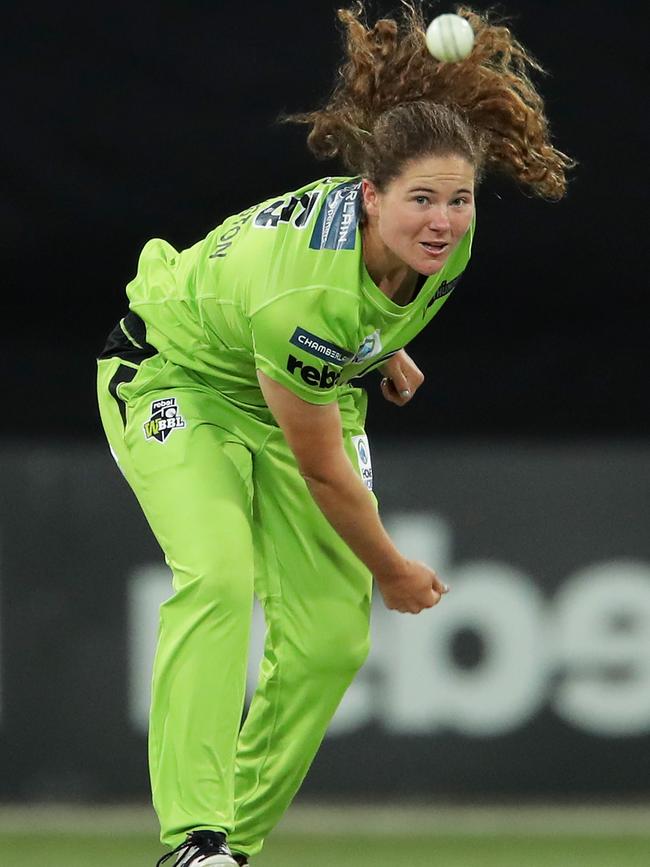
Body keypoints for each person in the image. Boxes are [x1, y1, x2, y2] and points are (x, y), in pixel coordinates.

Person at [97, 3, 573, 865]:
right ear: (370, 194)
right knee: (217, 572)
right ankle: (191, 838)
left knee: (331, 638)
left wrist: (378, 347)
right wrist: (391, 567)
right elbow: (322, 469)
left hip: (289, 376)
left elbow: (356, 319)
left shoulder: (447, 248)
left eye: (458, 199)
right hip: (176, 377)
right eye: (421, 199)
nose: (442, 219)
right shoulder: (304, 301)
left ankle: (231, 849)